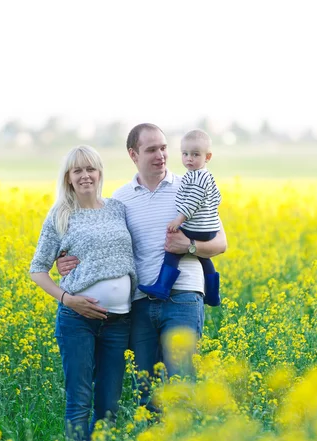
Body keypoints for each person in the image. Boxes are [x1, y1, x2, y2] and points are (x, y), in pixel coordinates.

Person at [57, 124, 227, 408]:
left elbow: (220, 243)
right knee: (145, 390)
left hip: (183, 295)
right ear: (133, 154)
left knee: (181, 384)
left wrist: (188, 247)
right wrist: (66, 258)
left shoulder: (190, 185)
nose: (161, 155)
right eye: (152, 150)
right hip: (139, 302)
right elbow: (102, 243)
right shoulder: (120, 199)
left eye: (163, 148)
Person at [29, 145, 136, 441]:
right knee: (78, 402)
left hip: (118, 321)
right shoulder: (61, 214)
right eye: (78, 170)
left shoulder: (118, 208)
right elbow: (38, 269)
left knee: (109, 406)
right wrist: (68, 300)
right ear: (68, 178)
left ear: (100, 173)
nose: (85, 175)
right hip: (77, 320)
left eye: (90, 169)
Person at [137, 129, 222, 306]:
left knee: (172, 250)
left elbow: (192, 201)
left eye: (195, 155)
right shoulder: (204, 176)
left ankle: (162, 286)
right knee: (204, 258)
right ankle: (213, 294)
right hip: (207, 227)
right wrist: (209, 211)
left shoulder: (197, 177)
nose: (189, 159)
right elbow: (217, 197)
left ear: (207, 157)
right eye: (185, 154)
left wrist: (179, 220)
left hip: (197, 228)